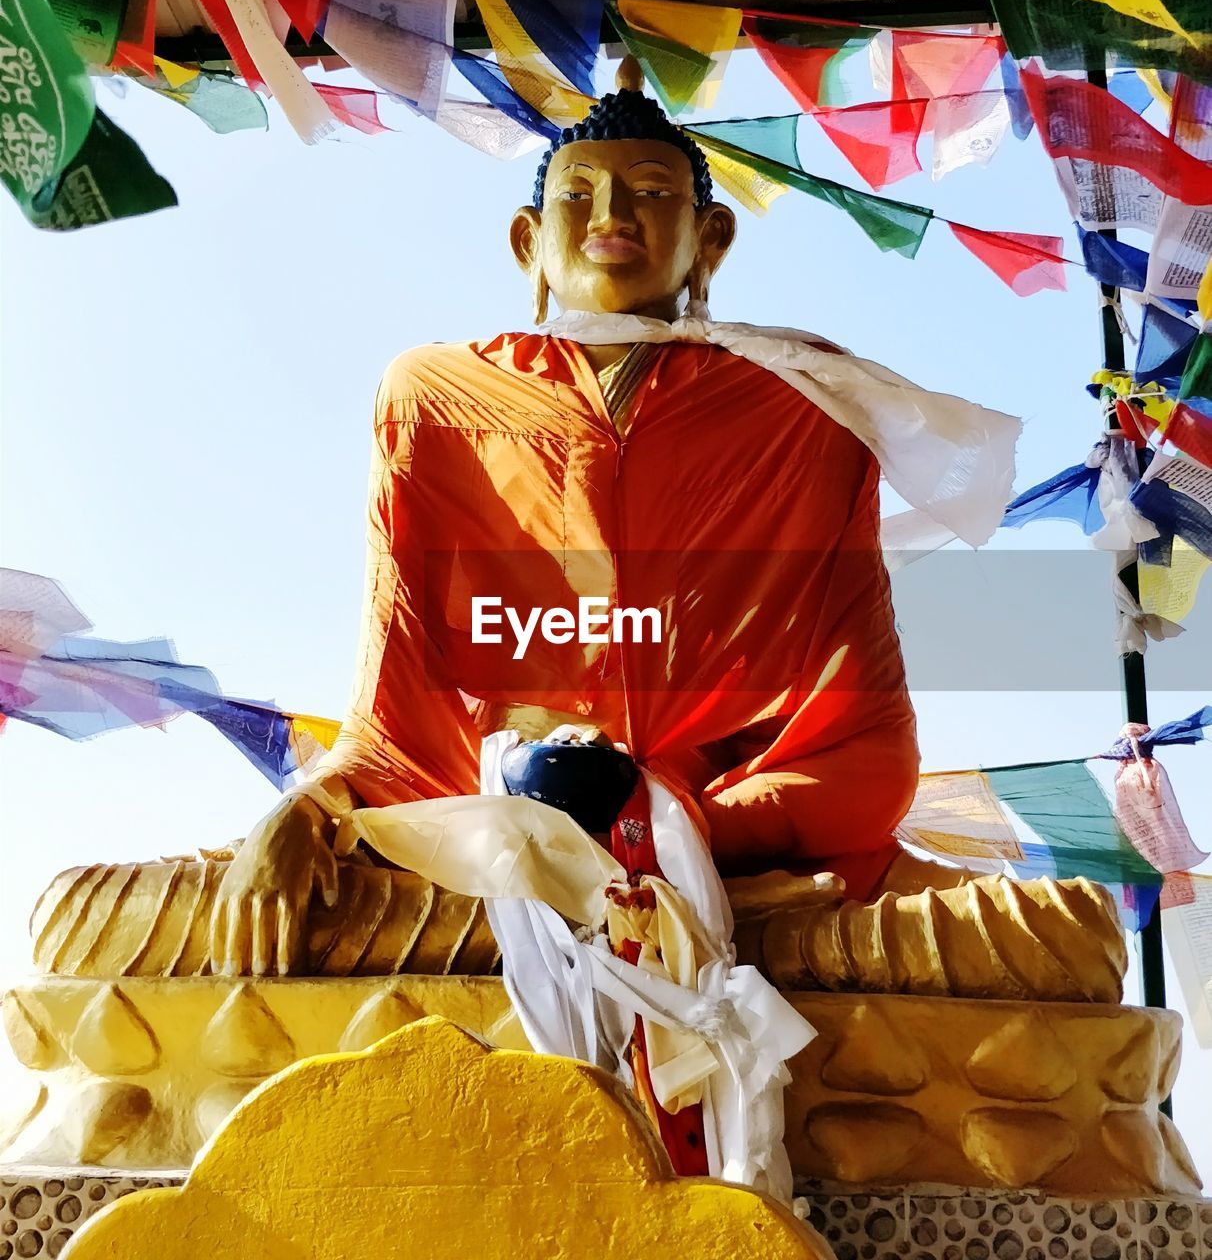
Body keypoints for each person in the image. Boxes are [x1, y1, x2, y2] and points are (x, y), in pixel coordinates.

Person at [210, 64, 985, 978]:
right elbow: (393, 712)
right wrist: (306, 813)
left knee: (1047, 932)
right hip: (498, 831)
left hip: (722, 835)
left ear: (713, 239)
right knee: (158, 913)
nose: (614, 213)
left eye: (654, 192)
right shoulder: (431, 395)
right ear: (526, 242)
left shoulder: (805, 405)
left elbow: (864, 745)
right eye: (579, 195)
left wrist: (660, 820)